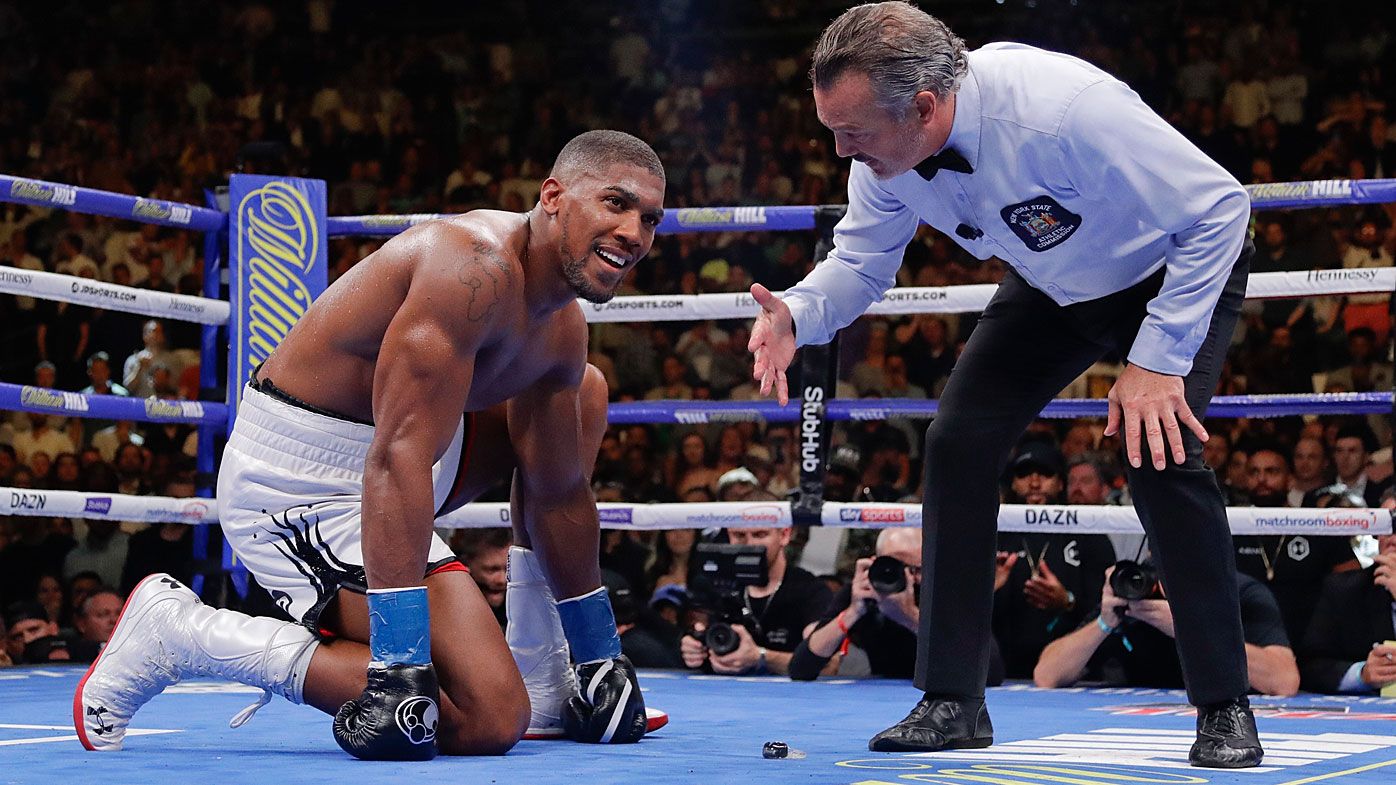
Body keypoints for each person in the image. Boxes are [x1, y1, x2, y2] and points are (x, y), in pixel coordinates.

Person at [748, 3, 1262, 766]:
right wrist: (798, 310)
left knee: (1160, 455)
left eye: (852, 130)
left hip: (1174, 268)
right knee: (957, 442)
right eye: (833, 127)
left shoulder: (1062, 110)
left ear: (924, 106)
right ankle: (953, 698)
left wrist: (1157, 358)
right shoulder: (885, 156)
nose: (840, 148)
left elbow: (1220, 208)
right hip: (1054, 283)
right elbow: (859, 262)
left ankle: (1225, 706)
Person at [77, 130, 667, 759]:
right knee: (487, 718)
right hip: (302, 483)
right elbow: (396, 458)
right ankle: (184, 633)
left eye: (649, 218)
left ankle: (549, 679)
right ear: (552, 195)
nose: (634, 232)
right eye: (615, 203)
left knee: (584, 394)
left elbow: (557, 494)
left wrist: (599, 652)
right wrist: (398, 665)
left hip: (409, 458)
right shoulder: (473, 266)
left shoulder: (562, 327)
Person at [1033, 565, 1299, 697]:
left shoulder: (1236, 592)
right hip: (1138, 729)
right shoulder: (1133, 590)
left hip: (1221, 717)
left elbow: (1284, 680)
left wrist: (1189, 627)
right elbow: (1046, 675)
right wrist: (1104, 623)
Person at [681, 516, 833, 676]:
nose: (750, 545)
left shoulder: (811, 592)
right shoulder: (713, 586)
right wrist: (693, 650)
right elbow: (695, 634)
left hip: (790, 697)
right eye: (739, 536)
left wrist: (761, 657)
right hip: (722, 693)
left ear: (784, 535)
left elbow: (827, 666)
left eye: (760, 535)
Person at [1299, 530, 1396, 694]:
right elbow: (1310, 666)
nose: (1392, 539)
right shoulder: (1345, 590)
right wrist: (1361, 674)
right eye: (1386, 528)